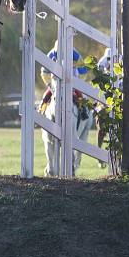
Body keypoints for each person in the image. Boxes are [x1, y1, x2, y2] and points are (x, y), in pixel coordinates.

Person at [39, 41, 92, 176]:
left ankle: (84, 112)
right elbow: (44, 72)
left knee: (80, 98)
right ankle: (40, 111)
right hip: (55, 84)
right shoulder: (51, 54)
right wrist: (50, 85)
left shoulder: (75, 54)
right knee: (46, 97)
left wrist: (76, 83)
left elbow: (83, 69)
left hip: (72, 83)